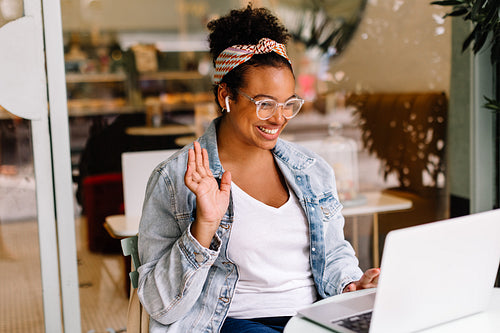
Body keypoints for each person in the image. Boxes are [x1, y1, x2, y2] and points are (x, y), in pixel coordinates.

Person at [137, 5, 379, 332]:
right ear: (227, 96)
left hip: (313, 320)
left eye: (288, 104)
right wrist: (204, 226)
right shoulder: (175, 179)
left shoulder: (312, 170)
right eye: (265, 103)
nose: (279, 118)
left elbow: (334, 255)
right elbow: (159, 305)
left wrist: (351, 284)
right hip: (230, 323)